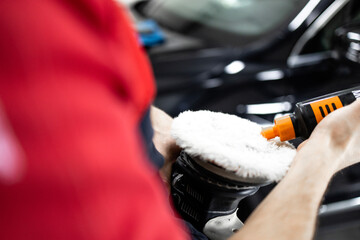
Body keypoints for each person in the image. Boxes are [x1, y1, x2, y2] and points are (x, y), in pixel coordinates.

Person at [0, 1, 359, 240]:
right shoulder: (29, 34)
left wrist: (154, 127)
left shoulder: (79, 19)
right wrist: (327, 150)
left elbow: (109, 100)